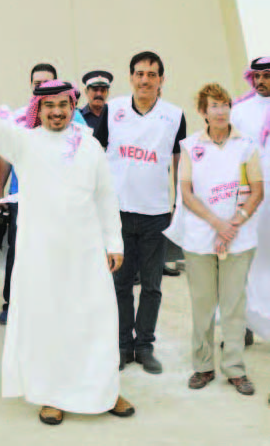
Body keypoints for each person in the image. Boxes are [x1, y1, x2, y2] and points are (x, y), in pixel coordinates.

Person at [0, 64, 134, 425]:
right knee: (49, 323)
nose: (56, 112)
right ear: (37, 109)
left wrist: (113, 242)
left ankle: (103, 390)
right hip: (42, 255)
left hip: (87, 253)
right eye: (49, 105)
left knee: (96, 321)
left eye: (63, 105)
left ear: (73, 107)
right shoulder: (25, 142)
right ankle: (51, 395)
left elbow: (105, 196)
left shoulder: (89, 144)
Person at [166, 83, 263, 395]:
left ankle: (234, 368)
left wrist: (235, 223)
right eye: (214, 105)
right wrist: (217, 224)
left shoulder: (247, 145)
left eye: (224, 104)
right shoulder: (190, 145)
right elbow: (186, 193)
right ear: (203, 111)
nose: (220, 111)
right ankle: (203, 366)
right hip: (199, 238)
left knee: (234, 305)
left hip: (240, 236)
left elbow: (257, 191)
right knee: (203, 305)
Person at [95, 51, 186, 374]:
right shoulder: (113, 109)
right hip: (117, 213)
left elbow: (179, 163)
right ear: (131, 76)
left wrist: (179, 204)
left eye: (152, 74)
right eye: (139, 73)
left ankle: (144, 345)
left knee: (151, 285)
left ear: (161, 78)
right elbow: (96, 154)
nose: (145, 79)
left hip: (155, 214)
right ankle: (122, 344)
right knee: (119, 285)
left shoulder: (174, 116)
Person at [0, 63, 88, 325]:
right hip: (22, 199)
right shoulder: (20, 117)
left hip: (60, 201)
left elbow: (84, 157)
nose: (41, 87)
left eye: (46, 82)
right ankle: (12, 304)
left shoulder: (73, 117)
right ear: (31, 85)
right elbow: (6, 155)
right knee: (19, 252)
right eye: (37, 83)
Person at [232, 56, 270, 341]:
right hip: (248, 198)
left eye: (266, 76)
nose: (260, 82)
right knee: (244, 257)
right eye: (256, 76)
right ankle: (243, 324)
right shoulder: (240, 110)